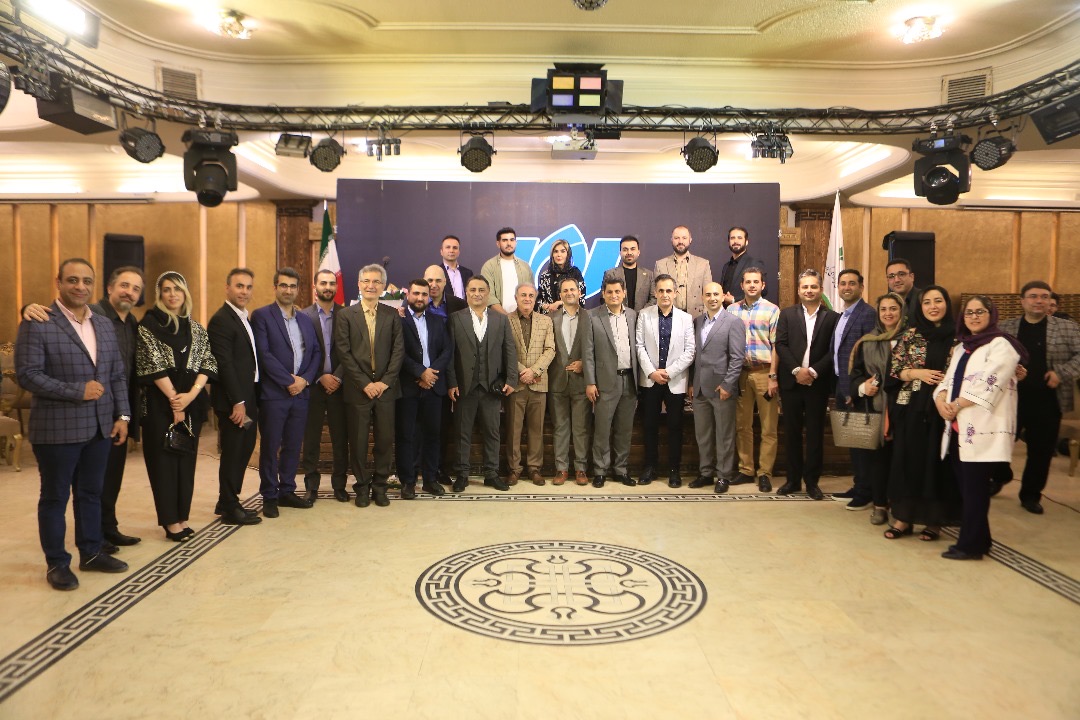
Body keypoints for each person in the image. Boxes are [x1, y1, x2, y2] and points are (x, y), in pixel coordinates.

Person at [16, 258, 131, 590]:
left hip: (99, 427)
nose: (80, 286)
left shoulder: (104, 324)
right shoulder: (38, 321)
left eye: (86, 281)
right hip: (57, 428)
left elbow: (116, 374)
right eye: (73, 280)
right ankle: (57, 563)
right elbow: (28, 375)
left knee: (91, 493)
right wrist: (76, 391)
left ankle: (92, 552)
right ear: (59, 282)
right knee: (55, 497)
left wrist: (122, 415)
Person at [934, 296, 1025, 560]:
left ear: (991, 314)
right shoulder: (961, 348)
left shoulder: (1001, 345)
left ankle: (970, 546)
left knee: (975, 491)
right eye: (969, 313)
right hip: (956, 427)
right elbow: (948, 380)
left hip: (983, 427)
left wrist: (956, 404)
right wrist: (941, 400)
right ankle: (981, 540)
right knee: (967, 489)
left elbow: (989, 383)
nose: (974, 317)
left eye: (980, 312)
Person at [137, 271, 218, 541]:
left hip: (191, 404)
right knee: (163, 465)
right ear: (159, 294)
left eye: (178, 289)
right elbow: (152, 364)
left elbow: (208, 362)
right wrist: (176, 401)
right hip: (159, 406)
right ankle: (170, 521)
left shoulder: (196, 328)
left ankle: (182, 517)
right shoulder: (149, 324)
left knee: (185, 462)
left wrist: (190, 396)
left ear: (185, 294)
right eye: (167, 289)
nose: (173, 294)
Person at [883, 286, 961, 542]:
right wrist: (918, 373)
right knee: (907, 461)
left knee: (936, 465)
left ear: (947, 304)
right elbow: (894, 370)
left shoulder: (958, 338)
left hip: (943, 408)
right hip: (911, 407)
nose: (933, 306)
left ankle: (933, 521)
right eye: (927, 302)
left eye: (938, 301)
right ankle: (903, 518)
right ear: (920, 307)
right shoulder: (911, 335)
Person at [999, 281, 1080, 514]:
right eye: (1033, 296)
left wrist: (1061, 373)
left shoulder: (1067, 328)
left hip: (1048, 400)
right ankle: (1000, 475)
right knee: (1001, 443)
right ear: (1022, 301)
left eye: (1044, 296)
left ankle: (1031, 494)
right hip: (1010, 399)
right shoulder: (1006, 327)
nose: (1039, 301)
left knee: (1041, 452)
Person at [251, 268, 320, 518]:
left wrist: (304, 381)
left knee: (293, 445)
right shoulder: (261, 316)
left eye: (292, 286)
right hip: (274, 394)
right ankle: (269, 495)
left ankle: (287, 491)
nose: (288, 290)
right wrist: (288, 381)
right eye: (283, 285)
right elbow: (264, 354)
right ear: (275, 288)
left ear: (298, 289)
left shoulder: (305, 319)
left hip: (300, 394)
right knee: (271, 447)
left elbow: (316, 352)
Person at [337, 264, 405, 507]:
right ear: (359, 284)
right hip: (358, 390)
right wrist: (365, 383)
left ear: (383, 286)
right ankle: (362, 487)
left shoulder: (392, 315)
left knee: (385, 441)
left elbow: (398, 352)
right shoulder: (346, 315)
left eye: (376, 281)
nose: (371, 285)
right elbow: (344, 353)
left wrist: (384, 382)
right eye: (366, 281)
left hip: (386, 391)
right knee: (358, 443)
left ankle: (380, 487)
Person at [447, 275, 518, 492]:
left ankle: (491, 474)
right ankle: (462, 475)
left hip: (492, 386)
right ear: (466, 293)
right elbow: (449, 354)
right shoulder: (455, 319)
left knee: (492, 432)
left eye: (481, 290)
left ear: (488, 294)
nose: (477, 294)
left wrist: (511, 379)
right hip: (464, 386)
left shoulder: (501, 320)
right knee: (462, 432)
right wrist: (451, 382)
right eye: (473, 290)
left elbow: (509, 350)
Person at [775, 269, 840, 500]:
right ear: (798, 290)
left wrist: (812, 371)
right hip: (791, 383)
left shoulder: (833, 318)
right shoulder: (787, 314)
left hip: (817, 383)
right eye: (805, 287)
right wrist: (796, 370)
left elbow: (834, 350)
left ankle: (812, 482)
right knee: (791, 433)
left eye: (813, 287)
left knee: (815, 434)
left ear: (820, 290)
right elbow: (781, 344)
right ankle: (792, 480)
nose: (809, 290)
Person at [206, 268, 262, 526]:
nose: (244, 292)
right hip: (234, 402)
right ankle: (229, 507)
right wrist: (237, 402)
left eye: (248, 287)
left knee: (245, 448)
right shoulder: (221, 320)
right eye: (239, 286)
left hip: (247, 397)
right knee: (233, 452)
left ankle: (227, 500)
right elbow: (224, 365)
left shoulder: (242, 317)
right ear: (227, 288)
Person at [848, 293, 907, 526]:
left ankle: (901, 508)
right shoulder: (867, 341)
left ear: (902, 311)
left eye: (893, 308)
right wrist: (863, 387)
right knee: (878, 461)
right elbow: (855, 375)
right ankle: (880, 505)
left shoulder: (912, 339)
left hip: (904, 409)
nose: (888, 313)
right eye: (883, 309)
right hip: (875, 409)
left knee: (902, 461)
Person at [636, 274, 695, 488]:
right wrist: (652, 372)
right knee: (649, 425)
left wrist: (669, 372)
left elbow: (690, 351)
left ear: (675, 293)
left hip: (675, 380)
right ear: (655, 293)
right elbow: (639, 346)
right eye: (661, 290)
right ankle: (649, 467)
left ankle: (674, 470)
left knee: (675, 426)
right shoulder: (644, 315)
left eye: (669, 290)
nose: (665, 295)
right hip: (650, 380)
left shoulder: (685, 318)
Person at [396, 279, 453, 498]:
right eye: (416, 293)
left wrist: (431, 374)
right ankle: (408, 482)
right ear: (408, 295)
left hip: (434, 387)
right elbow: (398, 353)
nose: (420, 298)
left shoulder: (438, 321)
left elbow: (446, 350)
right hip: (408, 387)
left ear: (429, 297)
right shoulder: (398, 320)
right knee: (407, 436)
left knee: (433, 435)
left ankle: (430, 479)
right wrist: (420, 372)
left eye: (424, 294)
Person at [727, 267, 781, 493]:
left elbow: (777, 345)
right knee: (742, 425)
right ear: (741, 285)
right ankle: (746, 469)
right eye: (747, 282)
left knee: (768, 427)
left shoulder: (772, 310)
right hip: (740, 373)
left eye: (755, 282)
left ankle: (765, 472)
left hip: (764, 372)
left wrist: (773, 376)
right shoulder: (732, 310)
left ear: (762, 285)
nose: (751, 285)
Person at [689, 282, 746, 493]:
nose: (712, 298)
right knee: (702, 434)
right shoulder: (697, 321)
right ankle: (705, 473)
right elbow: (696, 355)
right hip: (700, 388)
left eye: (716, 294)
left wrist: (728, 385)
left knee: (724, 435)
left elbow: (737, 357)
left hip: (722, 388)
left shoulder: (734, 322)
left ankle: (723, 475)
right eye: (708, 294)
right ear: (702, 298)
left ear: (723, 297)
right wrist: (692, 383)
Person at [299, 269, 350, 504]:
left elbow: (351, 350)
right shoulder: (303, 316)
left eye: (331, 283)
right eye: (323, 283)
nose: (328, 287)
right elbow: (301, 352)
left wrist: (337, 376)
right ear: (315, 286)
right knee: (311, 439)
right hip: (313, 386)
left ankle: (339, 485)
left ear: (336, 287)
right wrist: (320, 376)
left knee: (340, 439)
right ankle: (311, 486)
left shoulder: (347, 315)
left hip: (340, 386)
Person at [583, 277, 639, 488]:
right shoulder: (592, 316)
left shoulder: (633, 315)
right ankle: (600, 471)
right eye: (609, 292)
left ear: (624, 293)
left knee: (624, 430)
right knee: (602, 429)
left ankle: (621, 470)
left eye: (617, 291)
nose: (614, 295)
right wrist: (590, 382)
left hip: (630, 380)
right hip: (605, 381)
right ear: (603, 294)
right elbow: (588, 352)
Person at [831, 269, 879, 509]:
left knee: (862, 443)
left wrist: (854, 389)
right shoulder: (843, 315)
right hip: (843, 386)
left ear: (861, 287)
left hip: (858, 389)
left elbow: (868, 357)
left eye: (852, 283)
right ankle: (859, 485)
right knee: (853, 441)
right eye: (843, 283)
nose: (846, 287)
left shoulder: (868, 314)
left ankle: (866, 492)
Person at [506, 283, 556, 485]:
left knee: (537, 430)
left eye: (531, 295)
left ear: (535, 298)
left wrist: (534, 371)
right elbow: (505, 350)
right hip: (515, 384)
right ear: (516, 298)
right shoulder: (506, 320)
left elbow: (550, 349)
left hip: (538, 382)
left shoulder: (546, 321)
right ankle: (514, 469)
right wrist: (522, 372)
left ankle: (534, 468)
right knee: (513, 430)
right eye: (523, 295)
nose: (527, 299)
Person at [422, 264, 467, 484]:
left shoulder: (458, 305)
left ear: (445, 282)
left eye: (438, 280)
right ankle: (417, 468)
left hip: (447, 373)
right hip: (419, 374)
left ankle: (439, 467)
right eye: (429, 280)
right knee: (417, 426)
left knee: (441, 426)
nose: (433, 285)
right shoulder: (414, 302)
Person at [548, 277, 593, 486]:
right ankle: (562, 469)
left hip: (581, 381)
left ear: (579, 292)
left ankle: (581, 469)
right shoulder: (551, 318)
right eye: (565, 290)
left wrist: (584, 363)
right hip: (557, 381)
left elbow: (596, 347)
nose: (569, 293)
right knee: (560, 427)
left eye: (572, 289)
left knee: (581, 428)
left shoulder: (590, 317)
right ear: (560, 295)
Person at [654, 225, 712, 318]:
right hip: (669, 317)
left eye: (684, 238)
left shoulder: (703, 264)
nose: (680, 241)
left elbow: (708, 293)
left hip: (697, 317)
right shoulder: (660, 265)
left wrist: (704, 318)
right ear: (671, 240)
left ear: (690, 240)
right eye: (676, 238)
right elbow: (656, 295)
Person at [480, 227, 532, 315]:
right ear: (498, 244)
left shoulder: (525, 267)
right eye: (504, 240)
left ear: (516, 242)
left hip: (522, 317)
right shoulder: (489, 266)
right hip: (497, 318)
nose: (509, 243)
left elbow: (531, 294)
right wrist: (507, 317)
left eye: (512, 240)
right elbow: (489, 296)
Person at [536, 238, 586, 314]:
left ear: (568, 254)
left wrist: (559, 303)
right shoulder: (545, 275)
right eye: (556, 251)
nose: (559, 255)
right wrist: (546, 306)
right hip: (549, 317)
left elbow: (581, 298)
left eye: (563, 251)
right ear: (552, 255)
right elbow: (539, 301)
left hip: (571, 316)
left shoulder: (575, 273)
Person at [603, 235, 653, 310]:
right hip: (618, 316)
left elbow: (653, 298)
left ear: (638, 252)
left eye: (632, 249)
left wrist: (642, 313)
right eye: (625, 249)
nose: (629, 253)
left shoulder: (649, 275)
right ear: (620, 253)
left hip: (643, 315)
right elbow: (604, 298)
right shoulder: (610, 274)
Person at [719, 227, 766, 308]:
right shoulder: (726, 266)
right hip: (726, 312)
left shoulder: (755, 263)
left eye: (739, 238)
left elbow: (763, 290)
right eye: (732, 238)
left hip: (746, 311)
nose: (735, 241)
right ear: (729, 242)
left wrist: (734, 300)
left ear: (746, 242)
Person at [440, 234, 473, 301]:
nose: (451, 251)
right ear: (441, 251)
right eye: (448, 247)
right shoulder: (437, 272)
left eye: (455, 248)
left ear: (459, 252)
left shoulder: (468, 273)